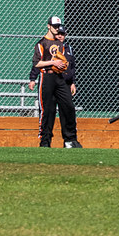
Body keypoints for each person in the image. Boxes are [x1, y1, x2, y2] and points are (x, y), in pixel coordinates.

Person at [31, 16, 80, 148]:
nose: (57, 29)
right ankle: (45, 141)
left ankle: (70, 140)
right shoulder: (41, 43)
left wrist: (67, 74)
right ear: (48, 26)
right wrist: (52, 62)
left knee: (68, 106)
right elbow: (37, 63)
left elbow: (66, 62)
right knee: (48, 110)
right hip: (46, 77)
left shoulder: (60, 44)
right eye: (54, 27)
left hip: (60, 78)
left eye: (58, 27)